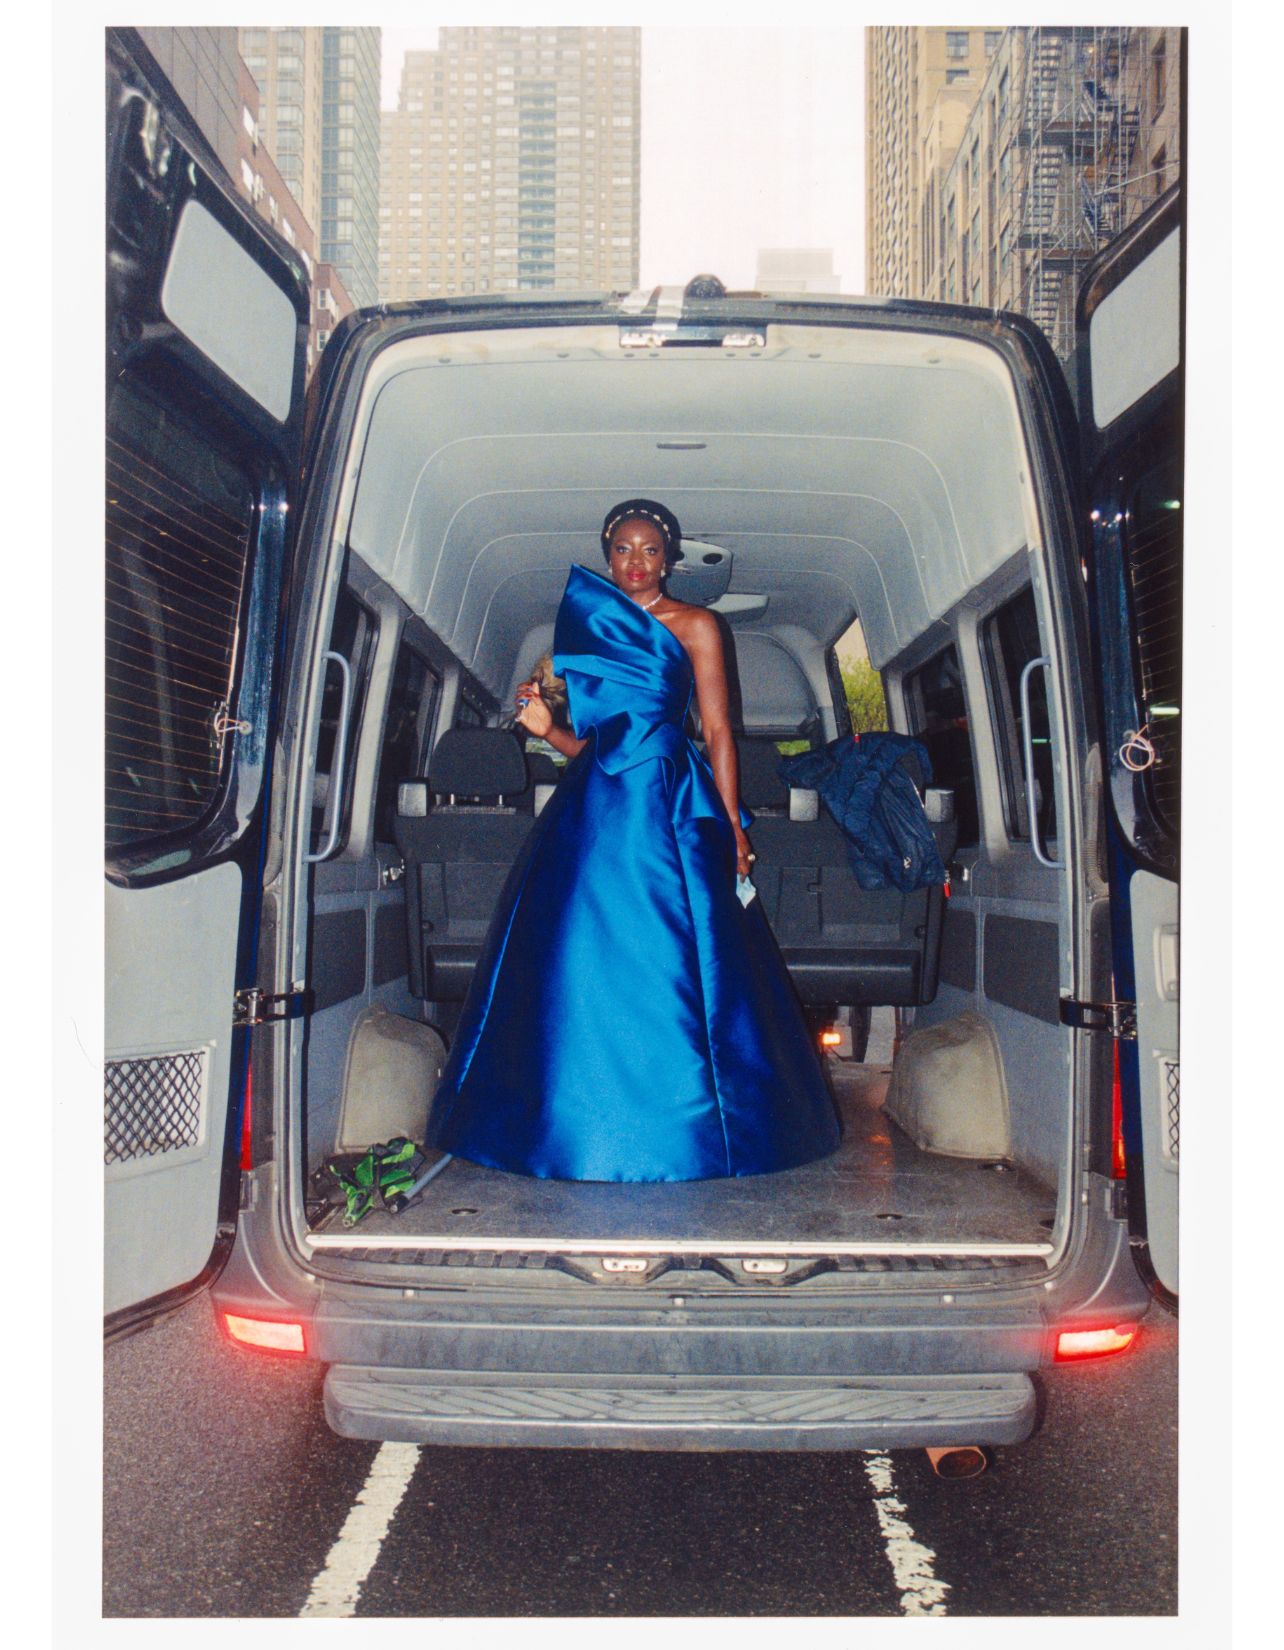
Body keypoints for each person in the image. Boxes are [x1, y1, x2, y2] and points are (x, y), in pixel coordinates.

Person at [424, 498, 841, 1182]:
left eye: (650, 550)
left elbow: (716, 732)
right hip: (591, 806)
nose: (637, 562)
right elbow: (587, 745)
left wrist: (731, 824)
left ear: (669, 559)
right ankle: (567, 1116)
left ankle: (691, 1125)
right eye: (623, 549)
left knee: (679, 949)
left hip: (670, 798)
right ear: (607, 556)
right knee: (575, 954)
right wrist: (540, 726)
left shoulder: (698, 625)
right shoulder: (586, 635)